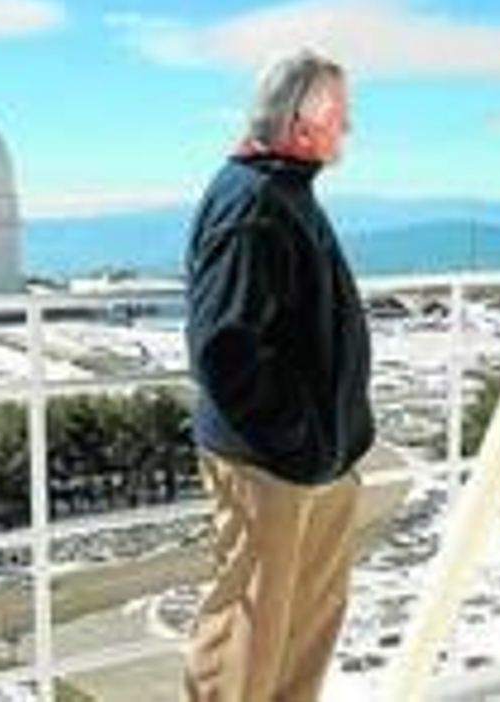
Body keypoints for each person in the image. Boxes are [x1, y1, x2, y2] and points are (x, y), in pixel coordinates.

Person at [181, 49, 373, 701]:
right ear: (302, 124)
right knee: (246, 640)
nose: (347, 130)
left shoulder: (284, 191)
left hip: (311, 463)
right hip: (271, 466)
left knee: (300, 638)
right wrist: (298, 440)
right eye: (340, 117)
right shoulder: (252, 204)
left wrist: (326, 447)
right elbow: (223, 348)